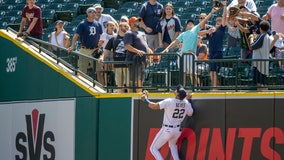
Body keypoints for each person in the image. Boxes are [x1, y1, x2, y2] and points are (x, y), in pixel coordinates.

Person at [162, 8, 215, 88]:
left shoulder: (195, 30)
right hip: (182, 55)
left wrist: (211, 12)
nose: (190, 24)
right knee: (182, 74)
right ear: (186, 26)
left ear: (194, 25)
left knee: (192, 73)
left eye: (191, 23)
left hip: (191, 55)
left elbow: (204, 21)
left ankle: (197, 88)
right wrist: (167, 48)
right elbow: (175, 42)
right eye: (188, 23)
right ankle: (182, 89)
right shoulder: (183, 34)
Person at [140, 85, 194, 160]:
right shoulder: (186, 103)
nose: (175, 91)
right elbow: (191, 113)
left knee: (153, 148)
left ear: (178, 95)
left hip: (167, 129)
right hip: (177, 130)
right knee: (172, 145)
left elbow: (154, 106)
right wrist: (187, 100)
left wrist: (145, 99)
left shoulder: (170, 101)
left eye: (177, 91)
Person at [200, 1, 227, 89]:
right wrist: (208, 31)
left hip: (218, 53)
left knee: (214, 72)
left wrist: (225, 6)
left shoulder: (221, 30)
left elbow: (224, 18)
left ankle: (215, 87)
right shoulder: (211, 31)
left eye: (219, 24)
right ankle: (215, 86)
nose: (218, 25)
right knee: (211, 72)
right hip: (211, 53)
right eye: (217, 23)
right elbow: (200, 32)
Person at [68, 7, 103, 77]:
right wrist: (72, 46)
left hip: (95, 50)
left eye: (94, 12)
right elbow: (76, 36)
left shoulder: (98, 24)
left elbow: (101, 36)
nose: (93, 13)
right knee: (82, 71)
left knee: (99, 71)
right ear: (87, 13)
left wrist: (101, 46)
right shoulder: (82, 24)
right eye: (91, 11)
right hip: (84, 49)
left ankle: (102, 88)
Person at [124, 17, 153, 93]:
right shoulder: (129, 33)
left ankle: (140, 95)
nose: (138, 22)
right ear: (131, 24)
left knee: (141, 79)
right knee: (134, 79)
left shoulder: (142, 33)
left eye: (139, 21)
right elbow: (127, 46)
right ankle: (132, 96)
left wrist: (148, 55)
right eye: (136, 21)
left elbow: (145, 46)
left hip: (142, 60)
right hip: (134, 60)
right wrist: (137, 51)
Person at [100, 22, 130, 93]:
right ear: (119, 27)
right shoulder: (113, 38)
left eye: (127, 26)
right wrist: (102, 57)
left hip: (128, 64)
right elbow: (107, 50)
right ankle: (121, 100)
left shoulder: (130, 38)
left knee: (129, 84)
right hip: (117, 64)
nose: (127, 27)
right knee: (120, 84)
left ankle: (130, 100)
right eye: (125, 26)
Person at [250, 20, 274, 90]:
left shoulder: (262, 36)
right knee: (263, 83)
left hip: (258, 64)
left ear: (260, 28)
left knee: (259, 84)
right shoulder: (268, 36)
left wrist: (251, 38)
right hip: (264, 63)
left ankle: (262, 99)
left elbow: (252, 46)